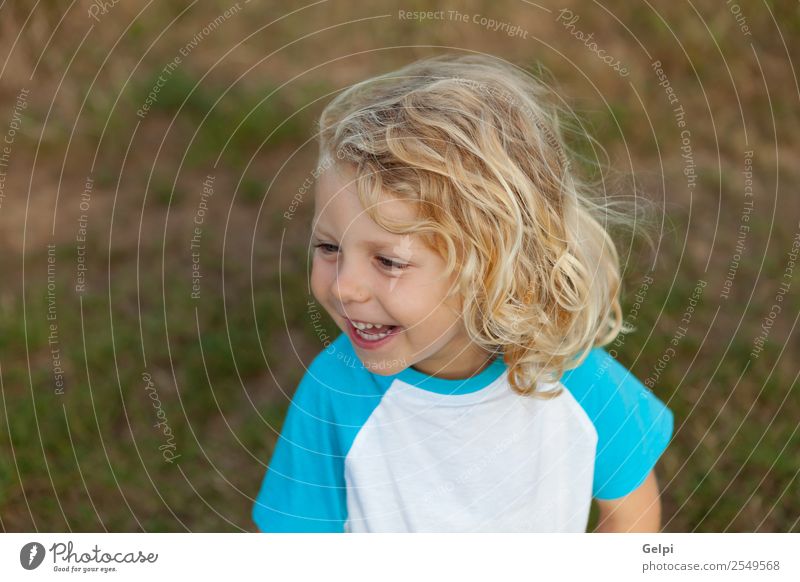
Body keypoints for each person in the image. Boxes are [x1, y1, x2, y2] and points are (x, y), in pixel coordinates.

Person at [252, 53, 673, 533]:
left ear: (491, 268)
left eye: (388, 261)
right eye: (329, 246)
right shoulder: (336, 390)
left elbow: (630, 510)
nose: (344, 286)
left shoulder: (572, 378)